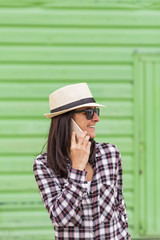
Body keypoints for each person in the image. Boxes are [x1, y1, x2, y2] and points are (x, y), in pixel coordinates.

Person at [33, 83, 131, 240]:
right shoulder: (44, 164)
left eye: (96, 111)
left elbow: (119, 207)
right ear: (66, 120)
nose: (97, 118)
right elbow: (61, 219)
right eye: (89, 112)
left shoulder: (110, 154)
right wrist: (77, 169)